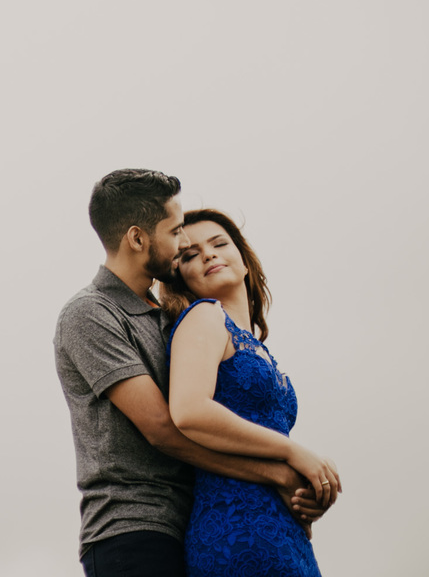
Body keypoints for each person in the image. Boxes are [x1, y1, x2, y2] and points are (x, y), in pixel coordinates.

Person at [54, 169, 325, 577]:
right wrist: (277, 473)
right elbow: (163, 428)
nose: (183, 243)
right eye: (176, 231)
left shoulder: (169, 318)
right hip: (134, 529)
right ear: (137, 239)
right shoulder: (90, 313)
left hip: (189, 521)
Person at [161, 209, 340, 576]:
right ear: (182, 278)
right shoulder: (204, 316)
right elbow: (189, 411)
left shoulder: (257, 346)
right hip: (237, 528)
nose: (208, 254)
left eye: (219, 244)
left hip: (284, 530)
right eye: (191, 254)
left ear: (244, 262)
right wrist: (293, 452)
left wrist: (311, 489)